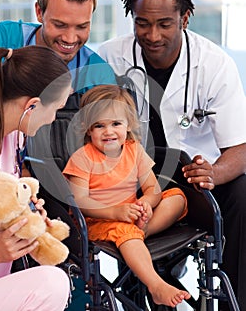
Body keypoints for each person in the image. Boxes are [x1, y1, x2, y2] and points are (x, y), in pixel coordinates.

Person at [98, 0, 246, 310]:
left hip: (194, 179)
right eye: (142, 23)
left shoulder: (213, 65)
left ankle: (234, 300)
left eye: (164, 23)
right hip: (131, 180)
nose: (152, 35)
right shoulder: (109, 58)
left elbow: (239, 147)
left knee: (242, 192)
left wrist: (214, 173)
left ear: (185, 18)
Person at [0, 45, 72, 310]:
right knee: (52, 284)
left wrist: (27, 210)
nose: (52, 119)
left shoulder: (13, 136)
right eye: (55, 109)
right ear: (32, 106)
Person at [63, 85, 190, 308]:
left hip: (131, 212)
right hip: (97, 219)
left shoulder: (134, 149)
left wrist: (146, 203)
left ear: (129, 124)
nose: (108, 132)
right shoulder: (83, 157)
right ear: (87, 129)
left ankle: (143, 231)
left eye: (116, 124)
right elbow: (80, 201)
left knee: (177, 197)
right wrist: (114, 212)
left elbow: (153, 189)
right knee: (125, 230)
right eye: (99, 126)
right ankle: (156, 286)